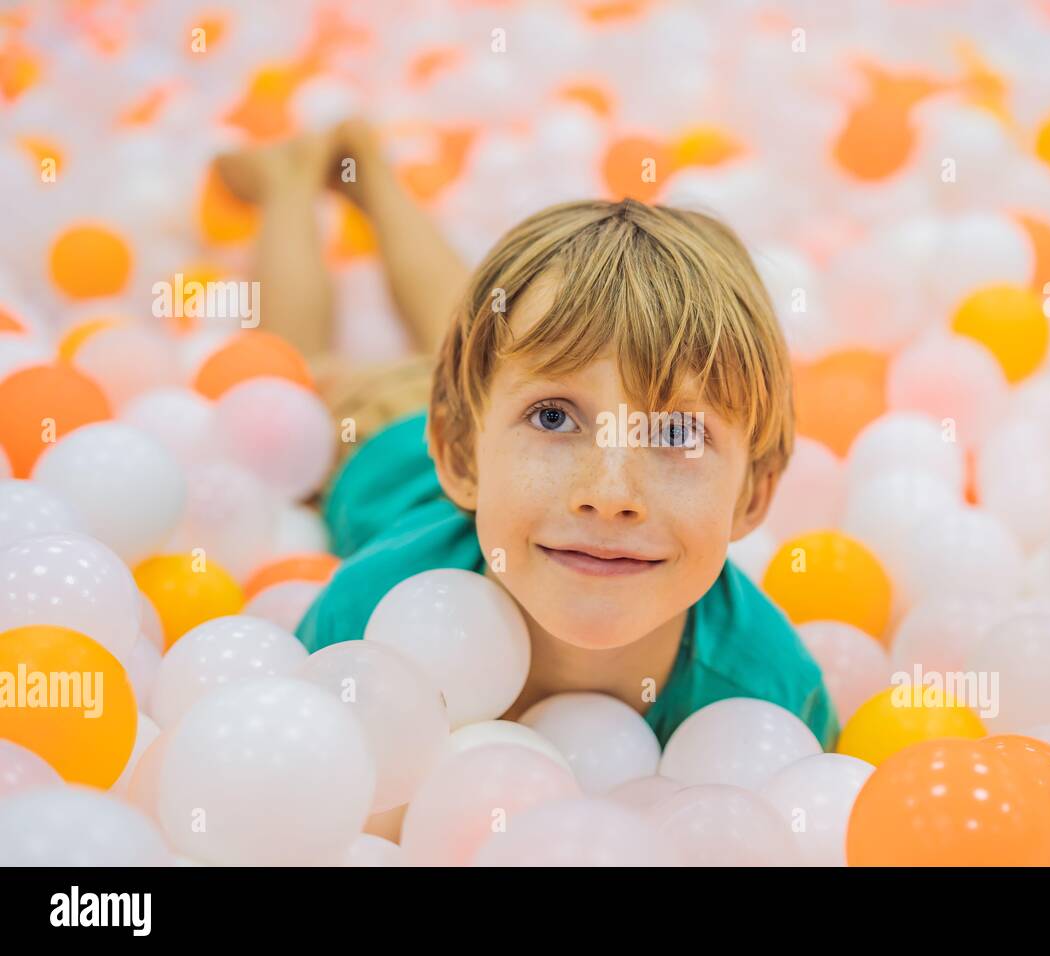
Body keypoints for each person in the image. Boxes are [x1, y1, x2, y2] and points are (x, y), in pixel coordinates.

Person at [217, 121, 839, 749]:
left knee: (494, 344)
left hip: (488, 413)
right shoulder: (373, 619)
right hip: (393, 446)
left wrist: (542, 409)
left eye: (677, 432)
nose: (609, 493)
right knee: (303, 373)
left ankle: (367, 169)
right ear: (460, 456)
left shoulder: (770, 701)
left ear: (753, 494)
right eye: (555, 418)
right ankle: (292, 180)